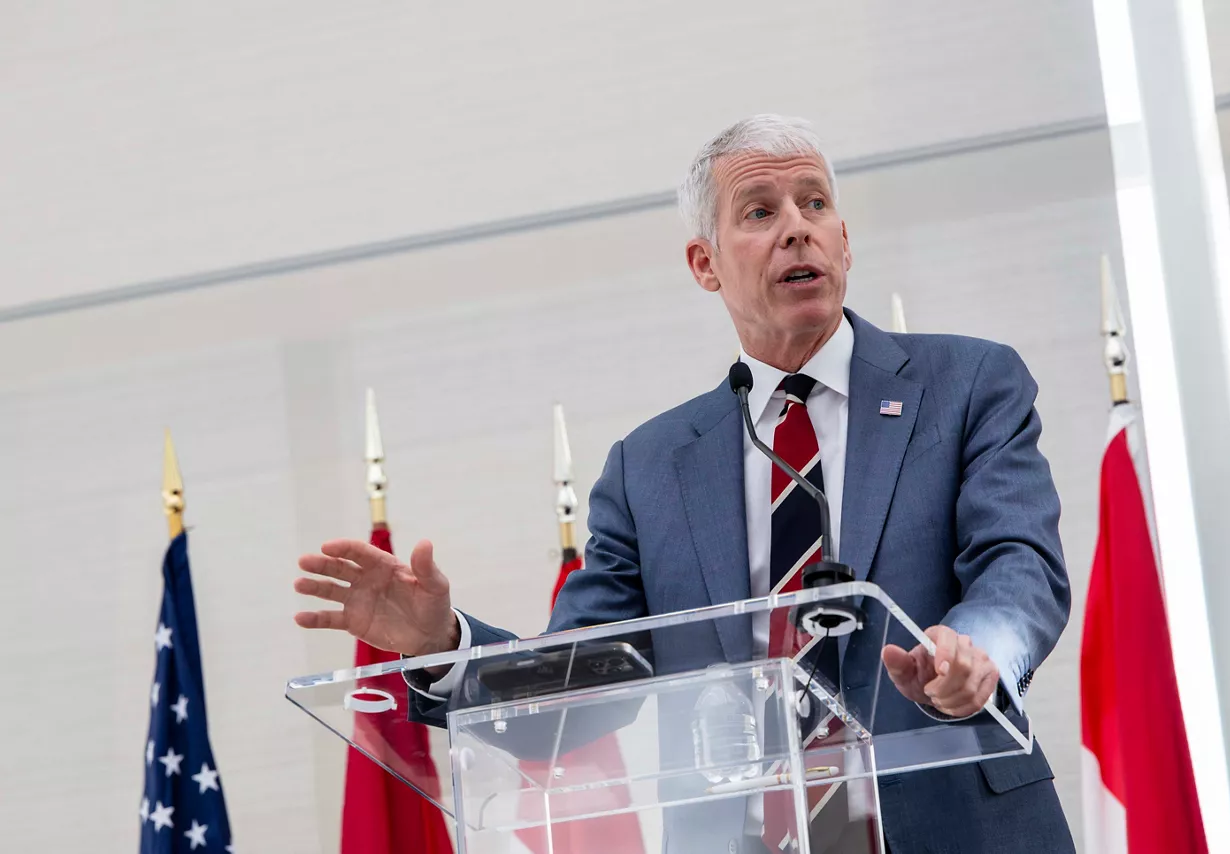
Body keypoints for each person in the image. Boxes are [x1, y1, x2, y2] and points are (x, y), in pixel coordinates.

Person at [295, 114, 1074, 852]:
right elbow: (577, 686)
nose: (797, 226)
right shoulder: (651, 468)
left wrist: (980, 652)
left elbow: (1020, 565)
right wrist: (443, 646)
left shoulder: (967, 384)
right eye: (760, 211)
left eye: (815, 204)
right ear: (705, 263)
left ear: (844, 238)